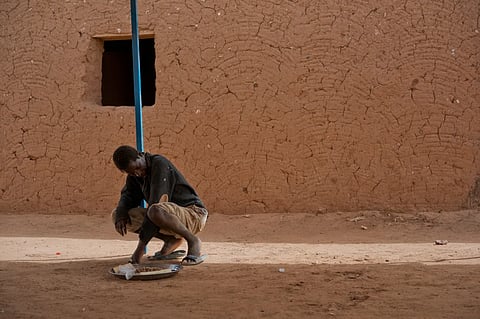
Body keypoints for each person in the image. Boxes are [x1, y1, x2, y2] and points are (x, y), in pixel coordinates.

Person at [111, 145, 208, 265]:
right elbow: (128, 197)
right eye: (133, 173)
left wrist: (139, 251)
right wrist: (121, 214)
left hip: (193, 214)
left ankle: (193, 241)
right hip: (168, 214)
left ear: (141, 155)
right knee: (117, 215)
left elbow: (157, 203)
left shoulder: (159, 164)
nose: (138, 173)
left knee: (154, 210)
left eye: (138, 167)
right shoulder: (135, 176)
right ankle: (171, 240)